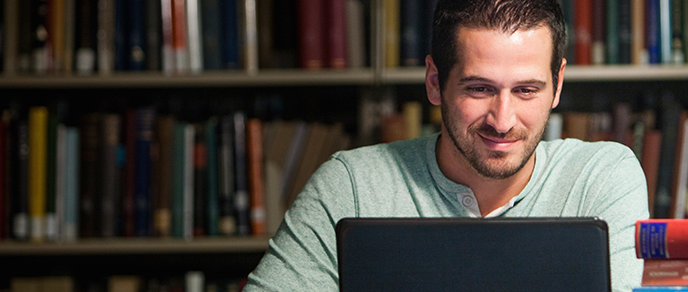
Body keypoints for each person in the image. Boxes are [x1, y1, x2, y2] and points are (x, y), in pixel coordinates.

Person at [243, 0, 649, 291]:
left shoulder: (602, 177)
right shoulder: (350, 185)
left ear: (557, 85)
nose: (503, 120)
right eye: (479, 88)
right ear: (435, 82)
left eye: (526, 90)